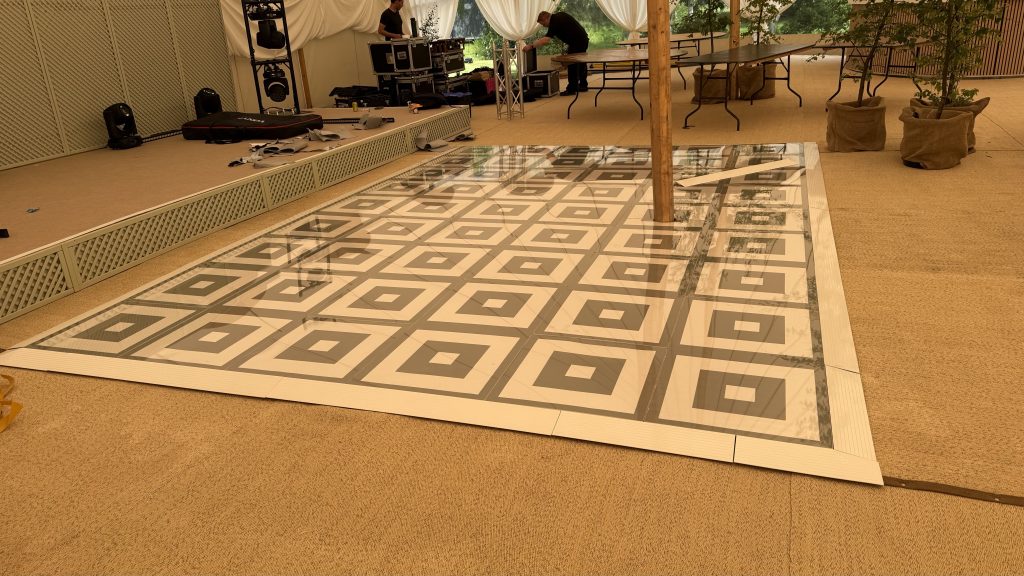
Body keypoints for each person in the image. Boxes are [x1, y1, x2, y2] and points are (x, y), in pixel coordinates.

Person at [523, 11, 590, 95]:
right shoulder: (559, 16)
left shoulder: (554, 21)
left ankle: (572, 89)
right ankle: (583, 85)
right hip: (582, 39)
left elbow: (546, 40)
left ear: (546, 19)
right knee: (580, 63)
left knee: (572, 64)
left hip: (577, 42)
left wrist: (531, 46)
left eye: (543, 23)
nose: (544, 26)